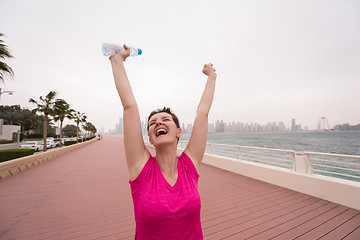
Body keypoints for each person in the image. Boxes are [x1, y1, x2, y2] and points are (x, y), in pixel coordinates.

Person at [108, 45, 216, 239]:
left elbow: (203, 113)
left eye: (166, 119)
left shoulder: (189, 166)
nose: (158, 122)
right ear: (150, 138)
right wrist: (117, 61)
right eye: (152, 123)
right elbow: (129, 106)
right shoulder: (141, 168)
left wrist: (211, 77)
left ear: (178, 132)